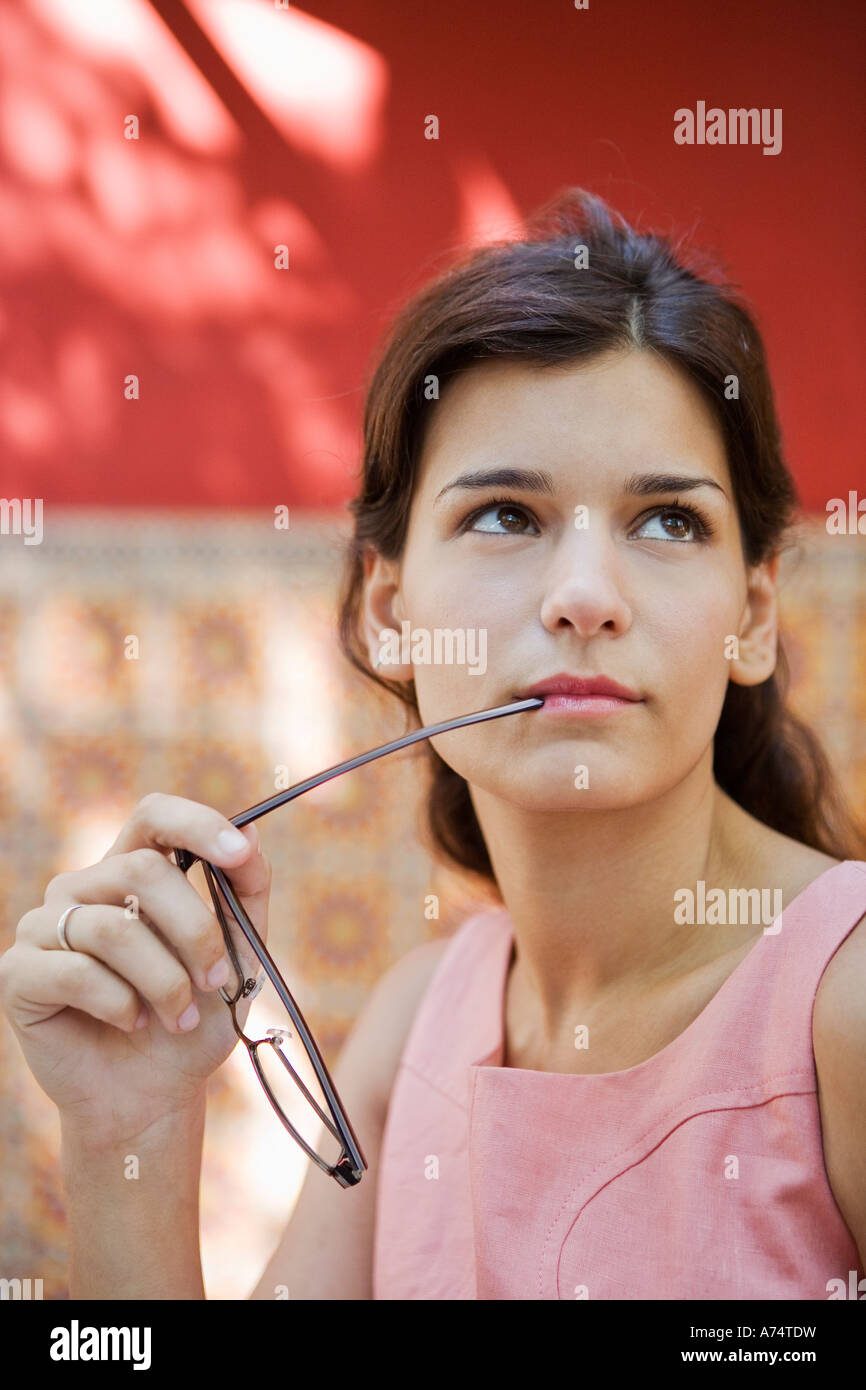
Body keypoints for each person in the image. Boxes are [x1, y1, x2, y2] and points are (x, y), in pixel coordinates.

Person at [1, 188, 864, 1300]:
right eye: (505, 513)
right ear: (384, 611)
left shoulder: (839, 1008)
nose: (584, 595)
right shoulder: (416, 1029)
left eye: (666, 520)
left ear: (751, 616)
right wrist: (132, 1135)